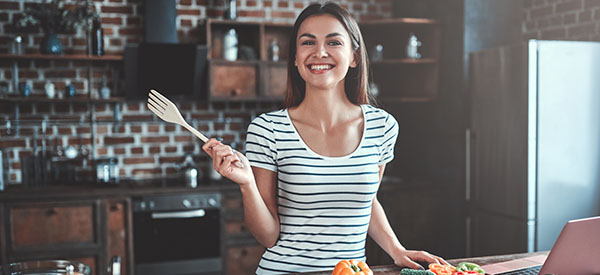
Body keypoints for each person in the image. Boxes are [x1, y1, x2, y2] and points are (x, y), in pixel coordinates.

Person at [202, 2, 449, 274]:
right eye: (308, 43)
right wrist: (247, 184)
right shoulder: (268, 129)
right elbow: (268, 236)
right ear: (295, 58)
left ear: (354, 56)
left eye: (333, 42)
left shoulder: (382, 126)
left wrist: (396, 249)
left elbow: (367, 201)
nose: (319, 52)